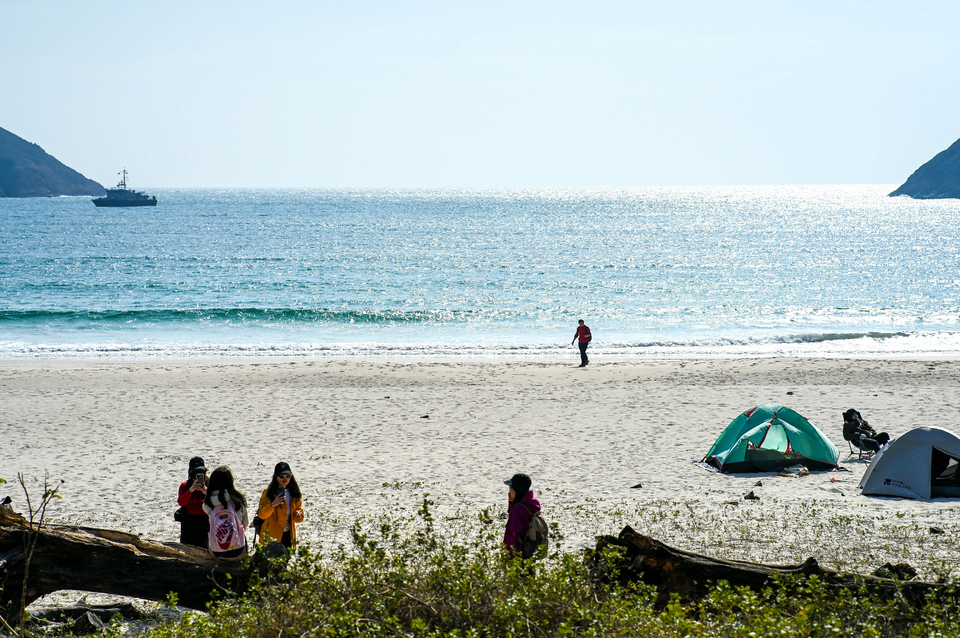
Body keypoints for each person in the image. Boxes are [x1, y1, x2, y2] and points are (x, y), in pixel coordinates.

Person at [203, 465, 249, 559]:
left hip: (216, 552)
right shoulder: (237, 500)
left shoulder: (208, 503)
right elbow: (245, 523)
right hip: (238, 551)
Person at [257, 461, 305, 548]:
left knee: (286, 559)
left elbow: (299, 513)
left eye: (288, 476)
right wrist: (272, 505)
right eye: (281, 476)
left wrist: (298, 514)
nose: (285, 478)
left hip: (289, 534)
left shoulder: (294, 492)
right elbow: (262, 515)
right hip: (272, 534)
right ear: (276, 477)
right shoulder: (269, 492)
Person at [503, 473, 541, 556]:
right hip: (531, 549)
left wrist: (506, 554)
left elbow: (511, 534)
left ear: (516, 491)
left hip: (519, 551)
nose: (509, 493)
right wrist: (512, 501)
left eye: (511, 490)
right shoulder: (533, 503)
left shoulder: (517, 509)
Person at [176, 457, 209, 548]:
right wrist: (190, 490)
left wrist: (206, 493)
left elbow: (216, 502)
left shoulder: (209, 484)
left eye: (201, 472)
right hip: (189, 522)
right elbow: (181, 502)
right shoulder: (185, 486)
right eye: (195, 472)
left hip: (205, 521)